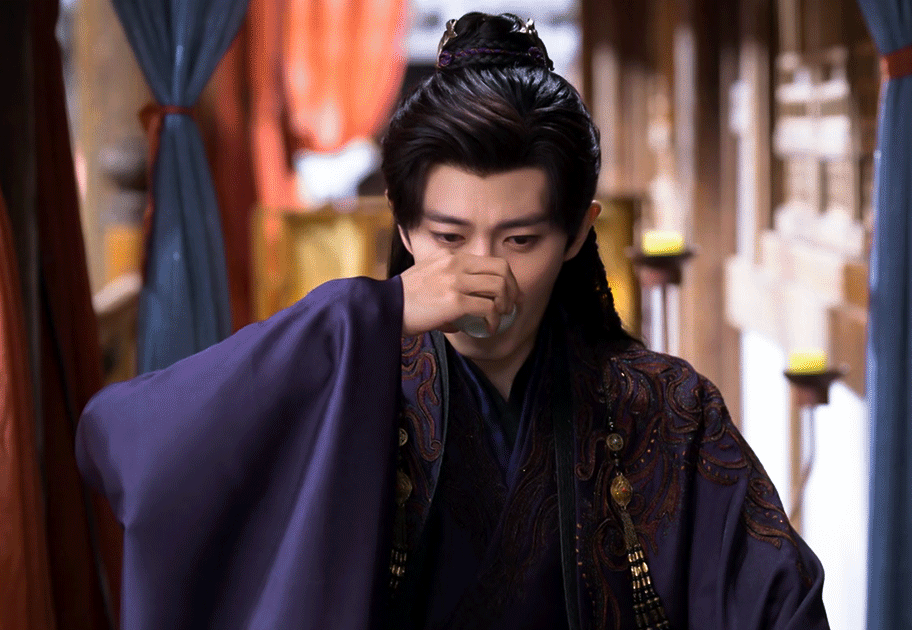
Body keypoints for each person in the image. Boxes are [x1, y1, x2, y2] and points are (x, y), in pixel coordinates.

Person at [76, 12, 830, 630]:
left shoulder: (665, 407)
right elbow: (121, 440)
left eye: (521, 240)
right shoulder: (347, 378)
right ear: (403, 226)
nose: (485, 275)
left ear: (578, 231)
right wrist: (369, 313)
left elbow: (779, 604)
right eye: (448, 237)